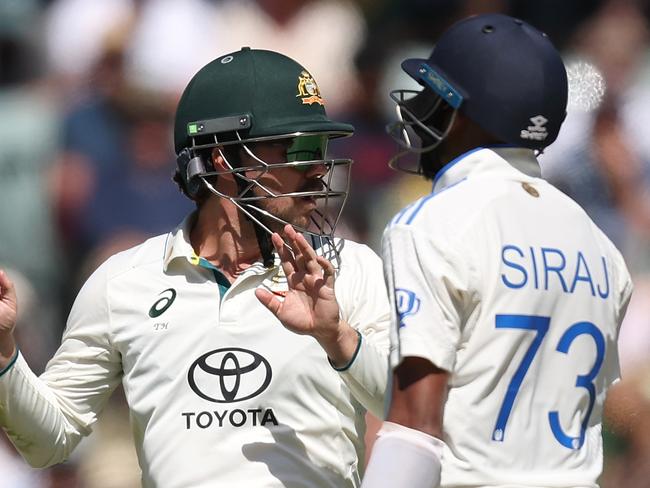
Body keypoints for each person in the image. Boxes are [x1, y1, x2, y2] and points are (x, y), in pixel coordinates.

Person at [0, 47, 390, 488]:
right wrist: (2, 352)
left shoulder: (352, 268)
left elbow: (412, 410)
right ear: (224, 158)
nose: (320, 168)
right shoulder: (122, 282)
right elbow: (45, 442)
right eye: (299, 147)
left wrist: (336, 337)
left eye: (321, 147)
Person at [361, 13, 634, 488]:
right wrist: (344, 345)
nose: (423, 108)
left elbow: (416, 425)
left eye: (437, 95)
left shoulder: (432, 224)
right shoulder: (603, 248)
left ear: (467, 115)